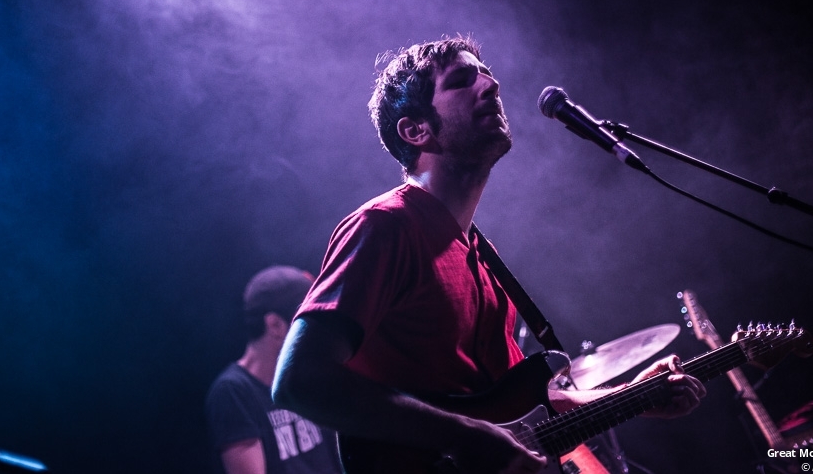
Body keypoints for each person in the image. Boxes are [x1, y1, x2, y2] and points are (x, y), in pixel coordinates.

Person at [272, 36, 706, 473]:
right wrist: (464, 437)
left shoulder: (484, 257)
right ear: (416, 130)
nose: (491, 86)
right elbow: (299, 380)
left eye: (488, 74)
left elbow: (521, 413)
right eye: (463, 80)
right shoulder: (385, 227)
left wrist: (633, 396)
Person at [206, 265, 341, 474]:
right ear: (275, 325)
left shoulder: (307, 380)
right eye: (309, 323)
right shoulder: (233, 392)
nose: (319, 334)